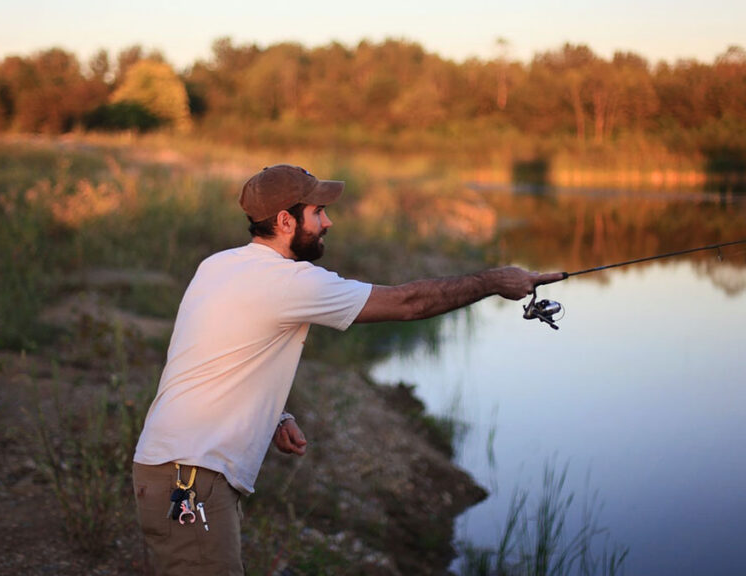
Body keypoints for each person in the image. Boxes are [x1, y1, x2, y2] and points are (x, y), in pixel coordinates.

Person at [132, 164, 563, 574]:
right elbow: (408, 303)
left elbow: (212, 354)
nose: (328, 223)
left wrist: (273, 414)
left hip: (174, 471)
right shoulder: (288, 282)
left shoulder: (220, 265)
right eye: (318, 212)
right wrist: (493, 282)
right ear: (285, 221)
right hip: (189, 480)